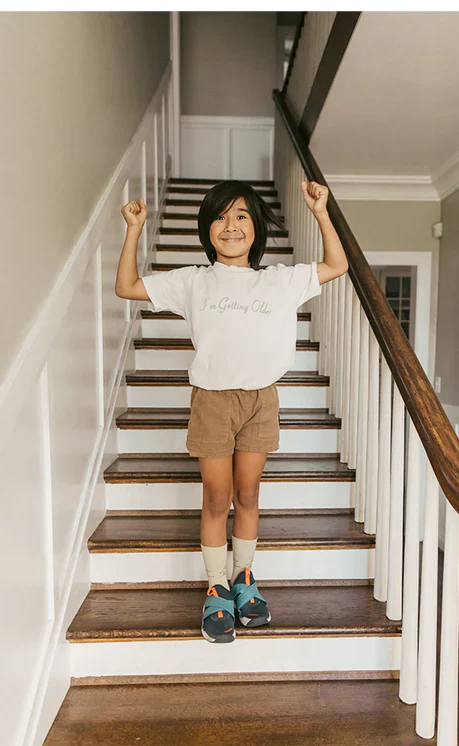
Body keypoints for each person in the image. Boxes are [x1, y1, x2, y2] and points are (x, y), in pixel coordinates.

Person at [116, 179, 349, 643]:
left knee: (248, 495)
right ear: (207, 230)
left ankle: (244, 577)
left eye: (241, 215)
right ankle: (215, 584)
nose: (230, 225)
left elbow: (337, 264)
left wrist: (321, 212)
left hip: (261, 401)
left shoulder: (280, 279)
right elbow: (126, 287)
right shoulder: (192, 281)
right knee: (215, 499)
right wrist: (135, 229)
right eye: (220, 216)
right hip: (212, 402)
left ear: (256, 229)